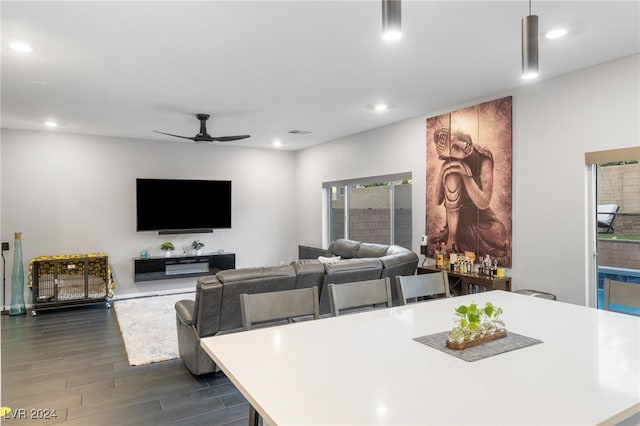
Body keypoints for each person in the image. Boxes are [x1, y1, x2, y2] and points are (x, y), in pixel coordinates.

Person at [432, 127, 509, 264]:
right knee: (452, 175)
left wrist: (466, 176)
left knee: (499, 232)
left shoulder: (484, 157)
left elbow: (484, 202)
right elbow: (437, 200)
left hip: (481, 220)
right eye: (450, 151)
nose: (456, 149)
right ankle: (454, 237)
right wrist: (443, 170)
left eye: (456, 143)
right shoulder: (451, 163)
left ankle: (463, 242)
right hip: (455, 223)